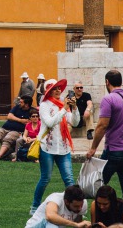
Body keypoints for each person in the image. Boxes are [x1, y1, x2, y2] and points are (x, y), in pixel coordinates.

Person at [87, 69, 123, 224]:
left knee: (99, 187)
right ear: (121, 82)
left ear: (107, 82)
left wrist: (93, 148)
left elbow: (102, 125)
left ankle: (97, 220)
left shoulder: (108, 99)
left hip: (114, 150)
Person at [30, 78, 78, 215]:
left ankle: (75, 207)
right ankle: (34, 206)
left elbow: (74, 122)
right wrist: (64, 109)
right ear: (49, 91)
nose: (58, 91)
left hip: (63, 147)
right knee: (45, 178)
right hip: (47, 147)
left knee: (69, 178)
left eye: (59, 88)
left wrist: (74, 108)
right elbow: (50, 123)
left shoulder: (63, 104)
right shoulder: (44, 105)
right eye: (54, 89)